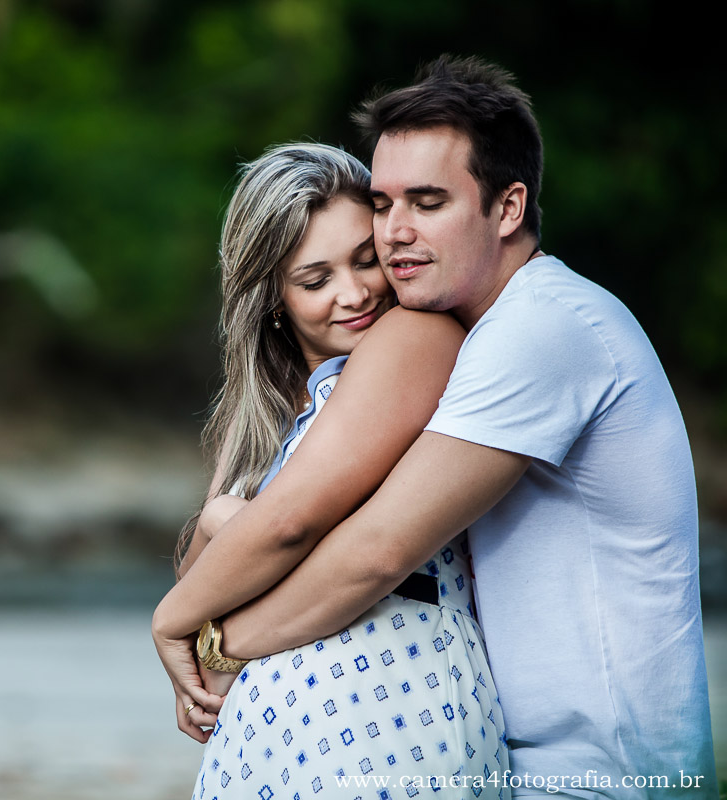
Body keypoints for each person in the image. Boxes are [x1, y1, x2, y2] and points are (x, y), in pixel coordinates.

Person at [154, 56, 716, 798]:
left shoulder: (544, 327)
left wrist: (209, 641)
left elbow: (375, 551)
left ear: (508, 208)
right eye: (384, 204)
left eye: (427, 202)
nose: (396, 234)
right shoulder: (476, 340)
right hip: (525, 763)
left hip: (606, 772)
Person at [159, 141, 507, 799]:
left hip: (391, 709)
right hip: (277, 738)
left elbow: (294, 529)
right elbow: (210, 575)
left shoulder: (415, 336)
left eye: (366, 260)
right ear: (271, 299)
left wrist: (171, 621)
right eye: (315, 280)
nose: (354, 293)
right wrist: (221, 521)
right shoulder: (268, 408)